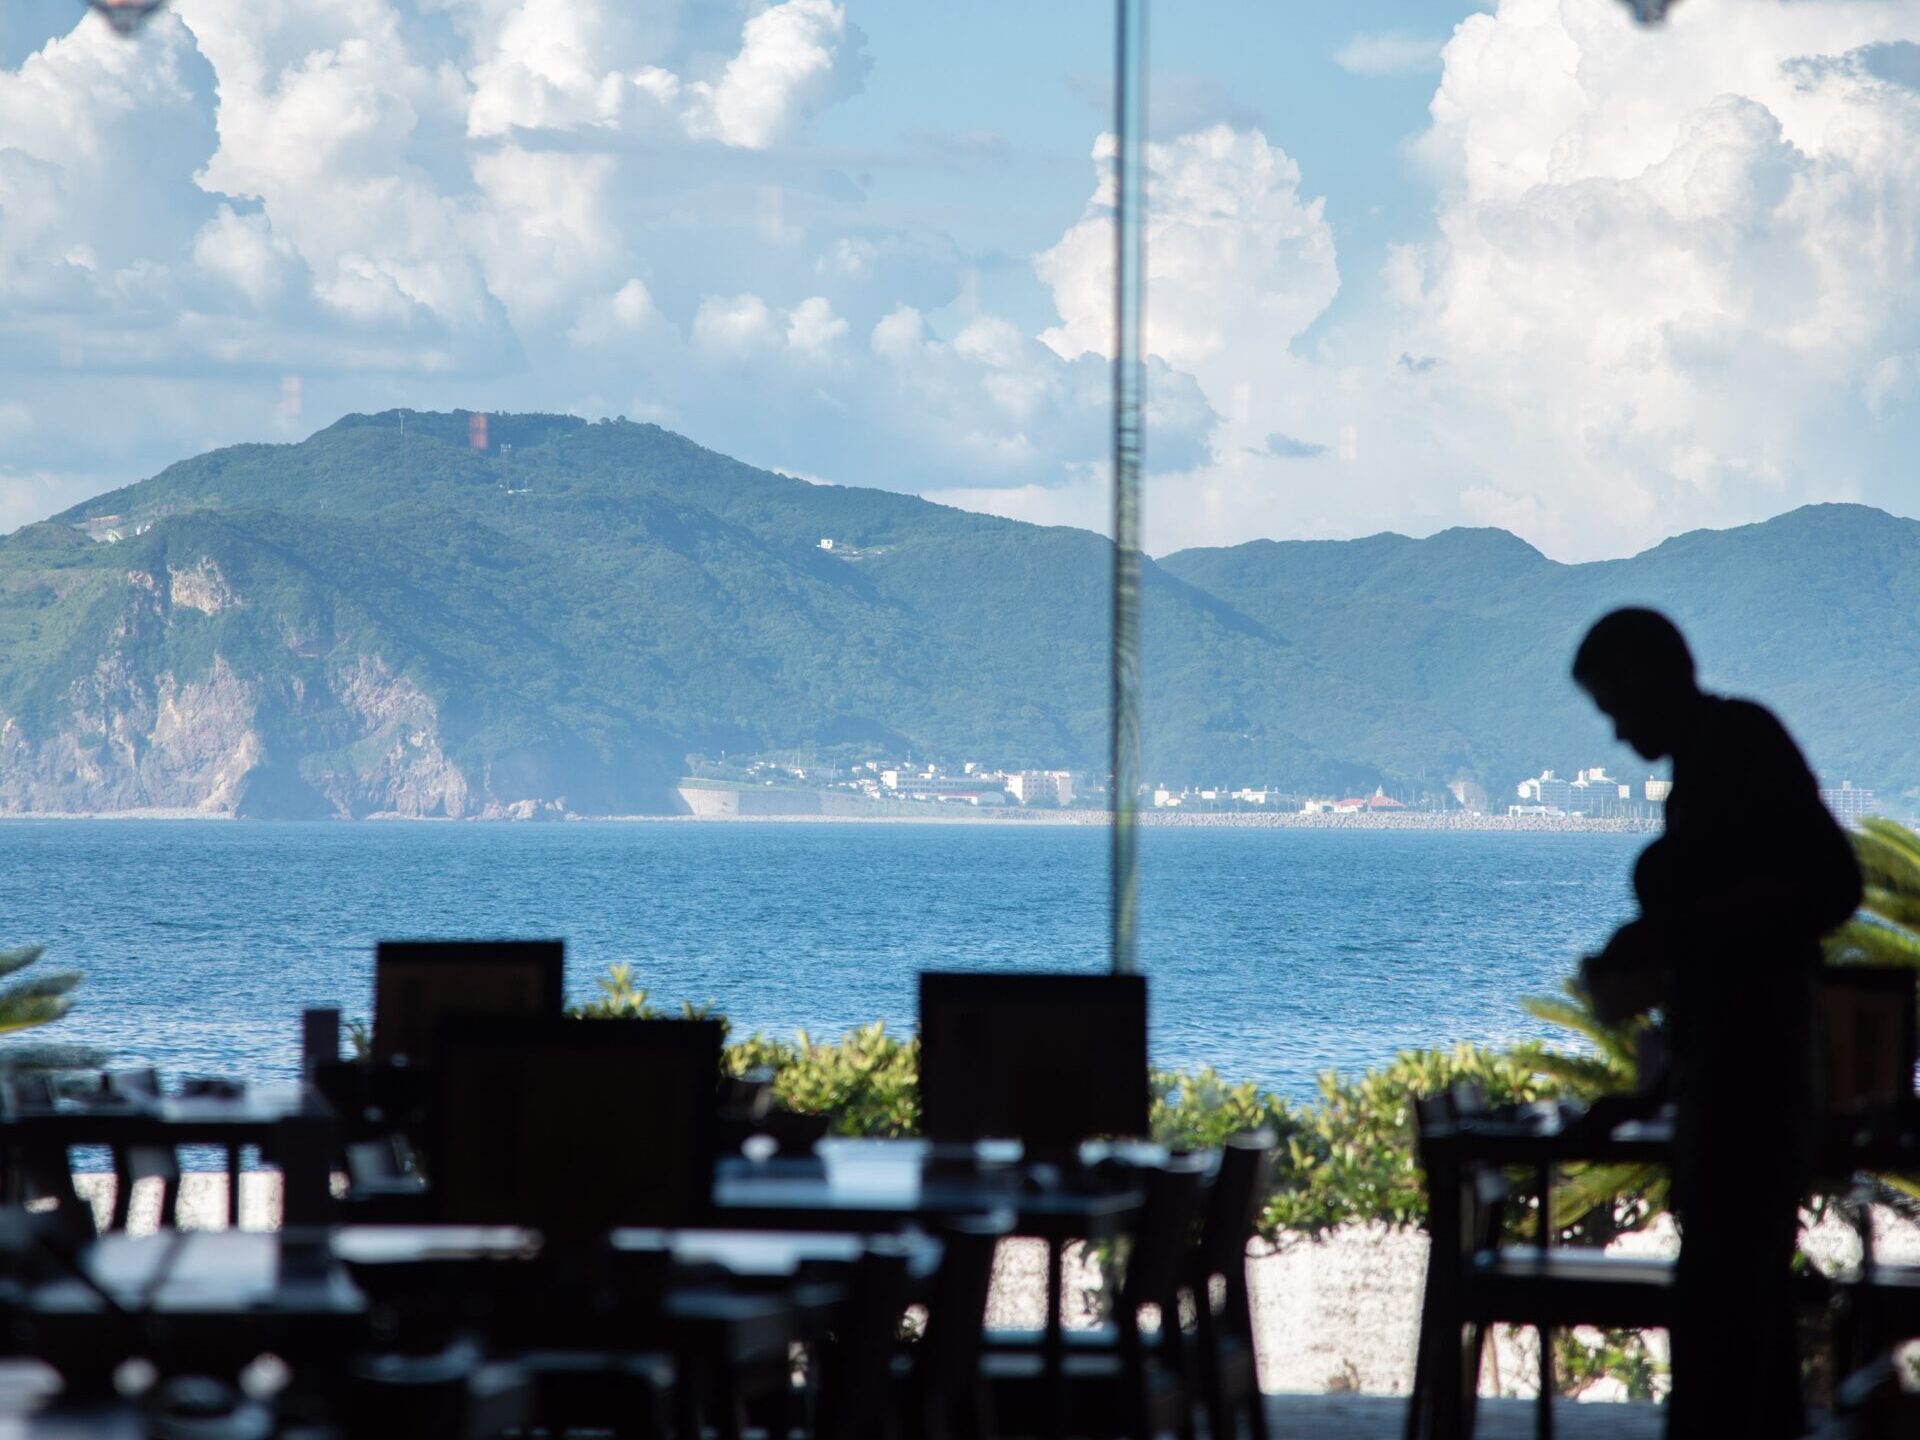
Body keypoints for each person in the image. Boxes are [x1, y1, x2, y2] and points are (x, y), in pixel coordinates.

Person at [1573, 608, 1860, 1440]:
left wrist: (1683, 930)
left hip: (1754, 1083)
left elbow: (1828, 889)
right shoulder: (1712, 759)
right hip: (1730, 1081)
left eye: (1617, 707)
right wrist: (1647, 1091)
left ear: (1653, 680)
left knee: (1725, 1308)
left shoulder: (1737, 747)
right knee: (1737, 1309)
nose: (1620, 732)